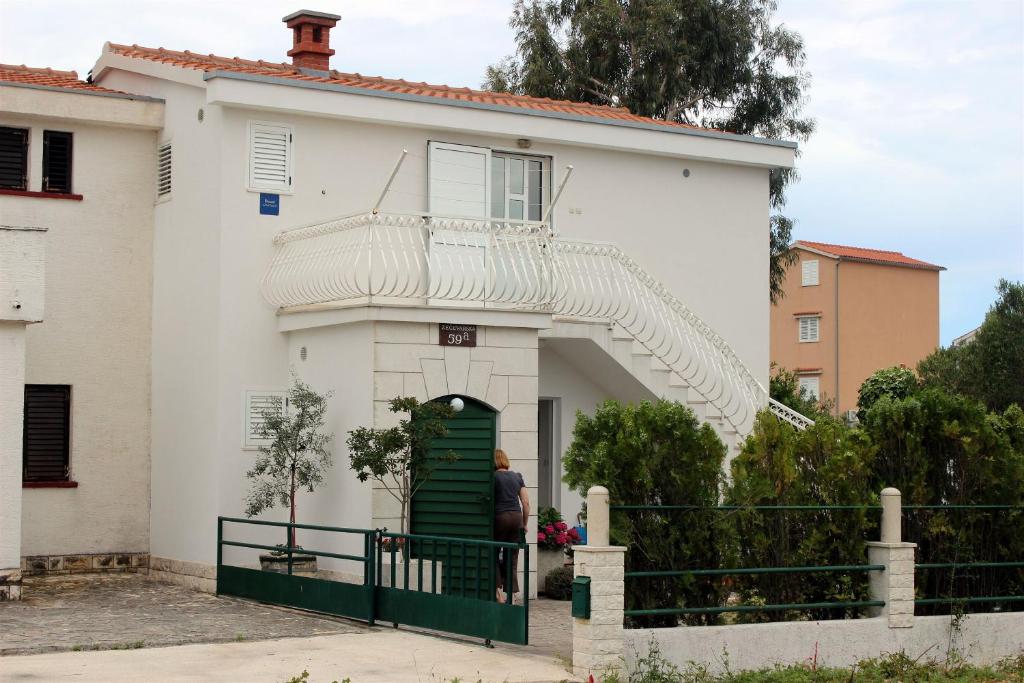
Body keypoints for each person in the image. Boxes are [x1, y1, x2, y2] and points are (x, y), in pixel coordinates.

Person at [493, 448, 529, 604]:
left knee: (493, 554)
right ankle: (512, 597)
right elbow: (526, 503)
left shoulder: (493, 477)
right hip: (516, 517)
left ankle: (497, 592)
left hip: (500, 517)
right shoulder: (517, 477)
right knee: (512, 557)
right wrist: (525, 523)